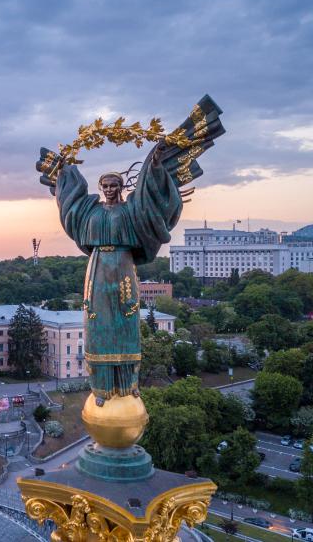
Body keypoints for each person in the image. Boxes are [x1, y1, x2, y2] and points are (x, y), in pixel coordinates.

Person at [36, 95, 224, 406]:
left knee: (125, 322)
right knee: (98, 324)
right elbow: (70, 201)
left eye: (114, 185)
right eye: (105, 185)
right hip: (97, 271)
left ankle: (128, 384)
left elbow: (151, 197)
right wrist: (63, 170)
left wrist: (157, 164)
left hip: (123, 268)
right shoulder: (89, 213)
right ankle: (101, 388)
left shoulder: (131, 213)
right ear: (100, 188)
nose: (110, 189)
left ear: (122, 187)